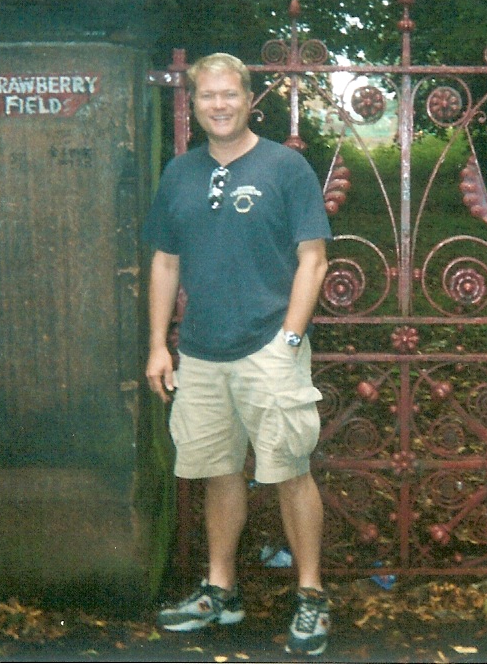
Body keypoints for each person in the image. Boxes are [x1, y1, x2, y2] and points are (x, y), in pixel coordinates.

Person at [142, 53, 333, 656]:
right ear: (194, 104)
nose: (218, 105)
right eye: (206, 97)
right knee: (218, 471)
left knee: (289, 470)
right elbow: (165, 262)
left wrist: (291, 338)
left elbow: (313, 258)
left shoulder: (286, 166)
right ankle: (219, 592)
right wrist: (158, 346)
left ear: (250, 99)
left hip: (270, 346)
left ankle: (310, 596)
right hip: (199, 351)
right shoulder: (179, 173)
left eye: (229, 94)